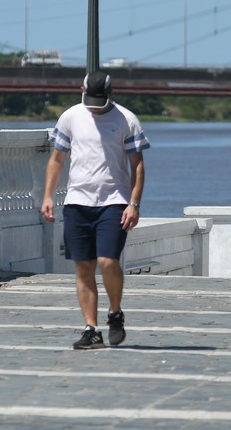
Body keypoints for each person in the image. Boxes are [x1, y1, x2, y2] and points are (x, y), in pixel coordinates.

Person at [41, 71, 150, 349]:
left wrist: (134, 203)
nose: (94, 105)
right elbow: (57, 159)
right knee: (83, 267)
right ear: (82, 90)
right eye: (90, 99)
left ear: (112, 94)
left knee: (107, 261)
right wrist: (48, 196)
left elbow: (137, 165)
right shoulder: (70, 117)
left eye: (100, 101)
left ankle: (115, 313)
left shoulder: (126, 119)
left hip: (114, 202)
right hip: (77, 202)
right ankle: (91, 329)